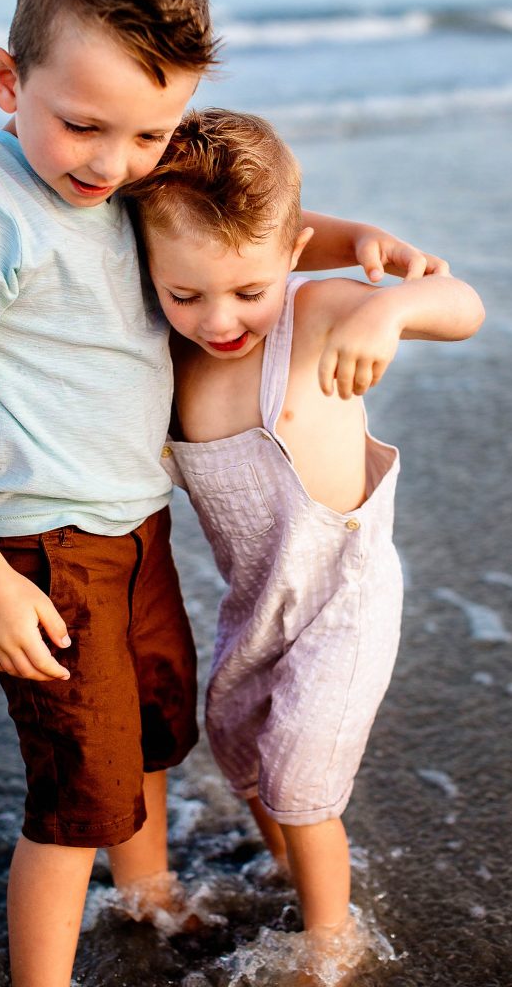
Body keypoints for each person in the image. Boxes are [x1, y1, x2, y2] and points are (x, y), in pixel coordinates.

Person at [0, 0, 450, 984]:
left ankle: (149, 891)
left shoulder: (116, 170)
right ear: (2, 79)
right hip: (47, 543)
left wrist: (349, 246)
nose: (116, 162)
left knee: (151, 726)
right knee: (77, 792)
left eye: (149, 135)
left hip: (135, 525)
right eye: (84, 126)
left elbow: (239, 226)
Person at [129, 108, 485, 973]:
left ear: (291, 253)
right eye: (186, 294)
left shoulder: (314, 311)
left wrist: (391, 310)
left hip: (346, 599)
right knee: (239, 741)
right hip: (260, 601)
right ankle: (290, 860)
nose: (219, 318)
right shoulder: (171, 363)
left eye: (246, 290)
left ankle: (333, 939)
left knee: (299, 778)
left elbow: (463, 306)